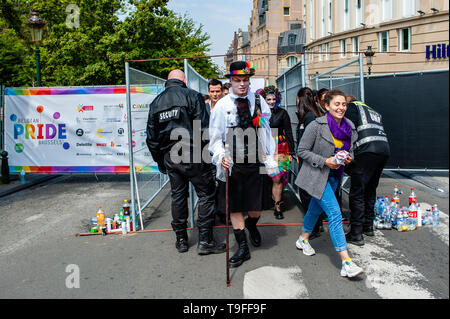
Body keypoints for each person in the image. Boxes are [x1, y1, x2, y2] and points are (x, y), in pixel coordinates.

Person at [146, 69, 226, 255]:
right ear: (183, 80)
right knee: (206, 194)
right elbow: (203, 128)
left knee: (178, 196)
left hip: (171, 156)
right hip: (193, 153)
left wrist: (160, 161)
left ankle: (181, 240)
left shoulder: (156, 103)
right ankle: (205, 241)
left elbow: (152, 138)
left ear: (168, 81)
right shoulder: (192, 96)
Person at [209, 61, 278, 268]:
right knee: (235, 206)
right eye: (237, 80)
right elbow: (215, 139)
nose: (242, 84)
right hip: (233, 163)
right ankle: (243, 247)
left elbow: (266, 131)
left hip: (256, 160)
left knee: (256, 207)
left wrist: (270, 157)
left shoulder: (259, 101)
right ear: (229, 81)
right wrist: (221, 156)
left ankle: (252, 225)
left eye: (245, 80)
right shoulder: (222, 106)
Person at [294, 88, 364, 278]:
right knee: (334, 213)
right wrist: (325, 161)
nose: (341, 108)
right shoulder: (317, 125)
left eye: (343, 104)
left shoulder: (349, 125)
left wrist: (348, 158)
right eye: (336, 104)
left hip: (335, 176)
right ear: (326, 106)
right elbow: (301, 150)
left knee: (315, 210)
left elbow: (350, 150)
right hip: (317, 175)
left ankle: (302, 239)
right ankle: (346, 262)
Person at [344, 96, 390, 246]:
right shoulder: (371, 110)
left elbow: (348, 129)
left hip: (366, 150)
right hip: (383, 150)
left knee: (357, 191)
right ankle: (368, 226)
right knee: (370, 188)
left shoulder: (352, 108)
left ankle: (356, 233)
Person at [258, 85, 295, 219]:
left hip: (280, 147)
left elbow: (289, 132)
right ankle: (267, 201)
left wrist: (291, 152)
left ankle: (277, 206)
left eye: (274, 99)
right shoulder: (258, 113)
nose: (272, 102)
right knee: (266, 177)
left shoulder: (282, 113)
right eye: (268, 99)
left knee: (277, 178)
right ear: (264, 100)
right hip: (264, 147)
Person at [295, 87, 324, 239]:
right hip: (307, 159)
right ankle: (315, 225)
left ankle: (314, 227)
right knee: (308, 194)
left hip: (310, 161)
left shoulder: (310, 117)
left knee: (308, 195)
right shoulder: (307, 116)